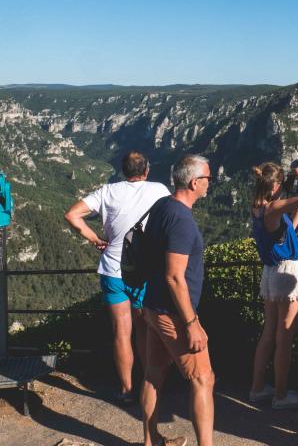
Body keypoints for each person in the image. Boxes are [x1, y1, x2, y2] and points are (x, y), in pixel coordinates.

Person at [64, 151, 170, 405]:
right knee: (145, 330)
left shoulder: (107, 191)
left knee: (122, 334)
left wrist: (95, 240)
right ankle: (150, 387)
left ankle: (125, 389)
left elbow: (72, 215)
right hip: (145, 271)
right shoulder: (160, 190)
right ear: (146, 170)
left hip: (113, 270)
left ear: (123, 171)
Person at [140, 154, 214, 446]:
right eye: (208, 178)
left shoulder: (162, 206)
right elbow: (175, 276)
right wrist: (192, 323)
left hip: (153, 306)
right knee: (203, 380)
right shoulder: (182, 220)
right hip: (174, 313)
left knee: (153, 375)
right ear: (195, 182)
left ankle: (151, 441)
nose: (210, 183)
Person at [249, 163, 298, 409]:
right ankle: (280, 395)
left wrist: (297, 210)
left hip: (271, 271)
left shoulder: (259, 207)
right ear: (276, 186)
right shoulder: (274, 207)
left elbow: (285, 232)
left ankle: (257, 388)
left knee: (269, 333)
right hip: (286, 272)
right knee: (284, 338)